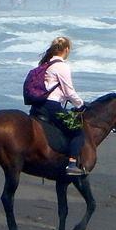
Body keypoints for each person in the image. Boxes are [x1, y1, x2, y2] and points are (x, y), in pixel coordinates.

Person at [31, 36, 87, 176]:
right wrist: (81, 105)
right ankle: (72, 164)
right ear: (66, 49)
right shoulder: (61, 66)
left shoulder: (45, 65)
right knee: (78, 132)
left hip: (38, 106)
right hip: (52, 106)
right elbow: (69, 91)